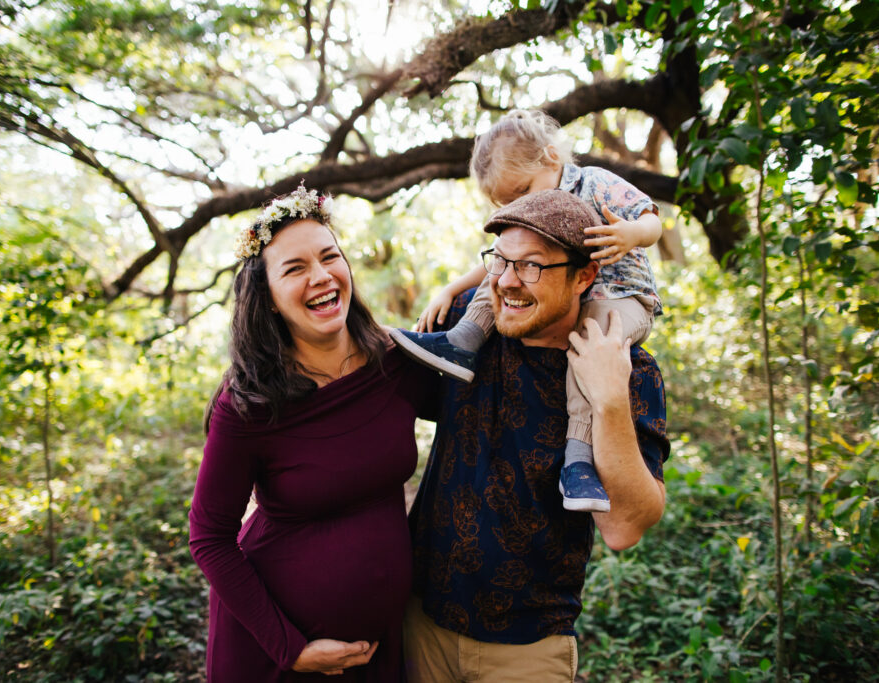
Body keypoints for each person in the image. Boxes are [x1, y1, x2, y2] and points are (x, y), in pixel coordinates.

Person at [404, 189, 669, 682]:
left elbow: (625, 528)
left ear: (584, 276)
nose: (507, 282)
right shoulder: (467, 324)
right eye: (500, 262)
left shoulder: (630, 368)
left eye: (530, 267)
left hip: (529, 648)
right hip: (421, 622)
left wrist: (608, 399)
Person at [189, 185, 438, 681]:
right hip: (278, 654)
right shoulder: (248, 400)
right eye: (295, 268)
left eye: (330, 257)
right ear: (270, 298)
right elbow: (209, 536)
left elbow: (483, 401)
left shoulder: (398, 362)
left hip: (380, 646)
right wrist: (290, 648)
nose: (321, 277)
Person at [390, 109, 663, 513]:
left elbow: (652, 219)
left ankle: (578, 456)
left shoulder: (595, 183)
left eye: (523, 191)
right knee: (503, 269)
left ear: (552, 158)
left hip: (621, 296)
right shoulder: (527, 231)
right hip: (569, 295)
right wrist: (451, 288)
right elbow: (501, 261)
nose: (523, 205)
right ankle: (462, 342)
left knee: (591, 349)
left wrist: (631, 234)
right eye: (510, 202)